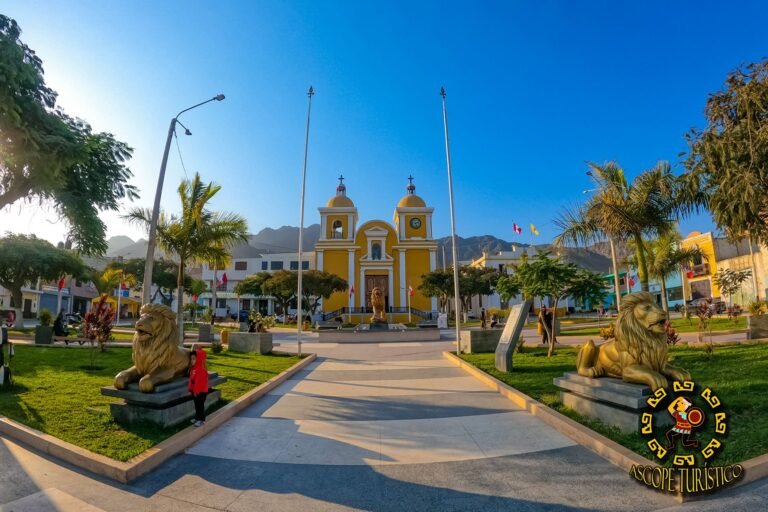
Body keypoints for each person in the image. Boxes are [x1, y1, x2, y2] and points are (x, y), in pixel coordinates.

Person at [188, 347, 209, 427]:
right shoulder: (194, 369)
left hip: (201, 392)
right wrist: (191, 388)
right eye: (191, 359)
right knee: (196, 405)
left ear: (199, 359)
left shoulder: (201, 370)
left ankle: (201, 420)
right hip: (195, 392)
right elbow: (192, 380)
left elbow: (199, 383)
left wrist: (196, 391)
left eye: (194, 359)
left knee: (200, 406)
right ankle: (197, 418)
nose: (192, 361)